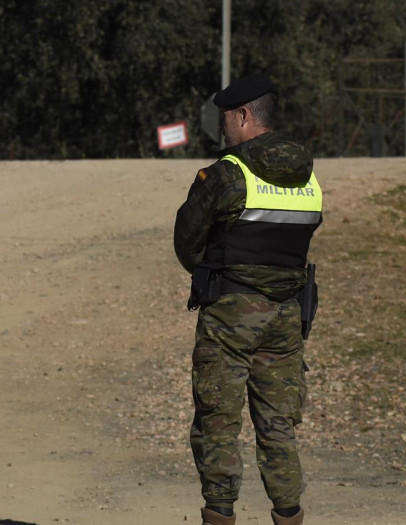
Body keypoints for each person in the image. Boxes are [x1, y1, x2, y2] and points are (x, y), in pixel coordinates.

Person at [173, 73, 323, 525]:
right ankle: (289, 515)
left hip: (230, 315)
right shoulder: (307, 178)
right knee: (279, 427)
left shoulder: (225, 175)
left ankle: (220, 514)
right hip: (287, 315)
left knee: (218, 422)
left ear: (243, 115)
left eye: (226, 117)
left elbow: (187, 243)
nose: (222, 127)